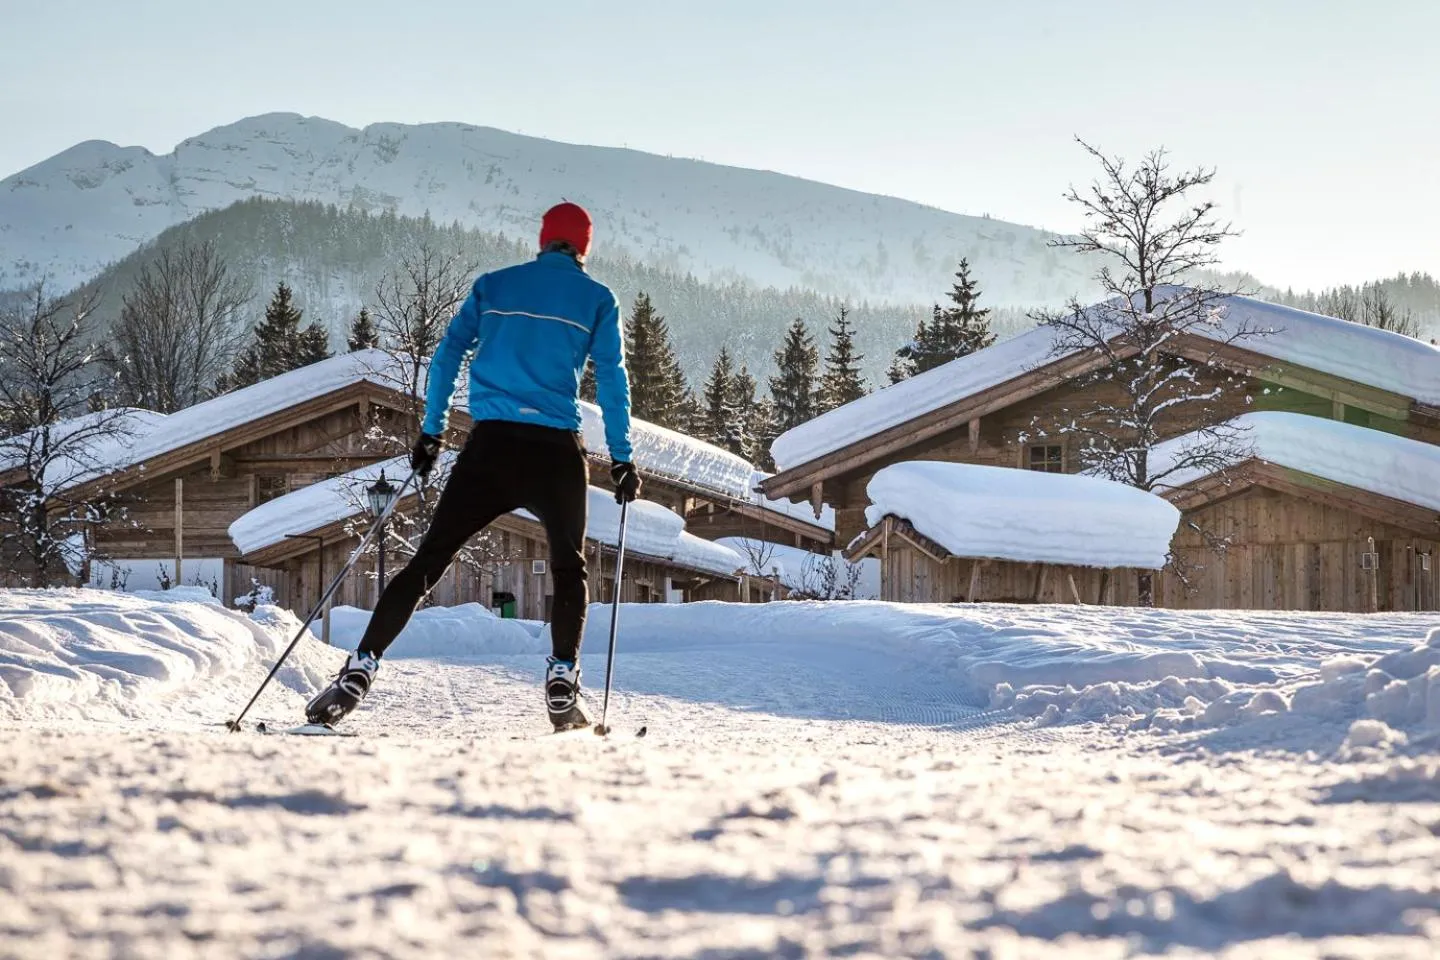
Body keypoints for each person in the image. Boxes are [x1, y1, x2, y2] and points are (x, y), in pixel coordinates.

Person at [306, 202, 641, 732]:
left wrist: (432, 432)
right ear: (584, 246)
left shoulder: (494, 286)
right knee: (568, 567)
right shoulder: (598, 299)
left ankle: (361, 666)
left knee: (427, 562)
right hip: (555, 451)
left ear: (542, 239)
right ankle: (561, 676)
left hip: (491, 448)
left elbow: (445, 356)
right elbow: (615, 381)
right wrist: (622, 459)